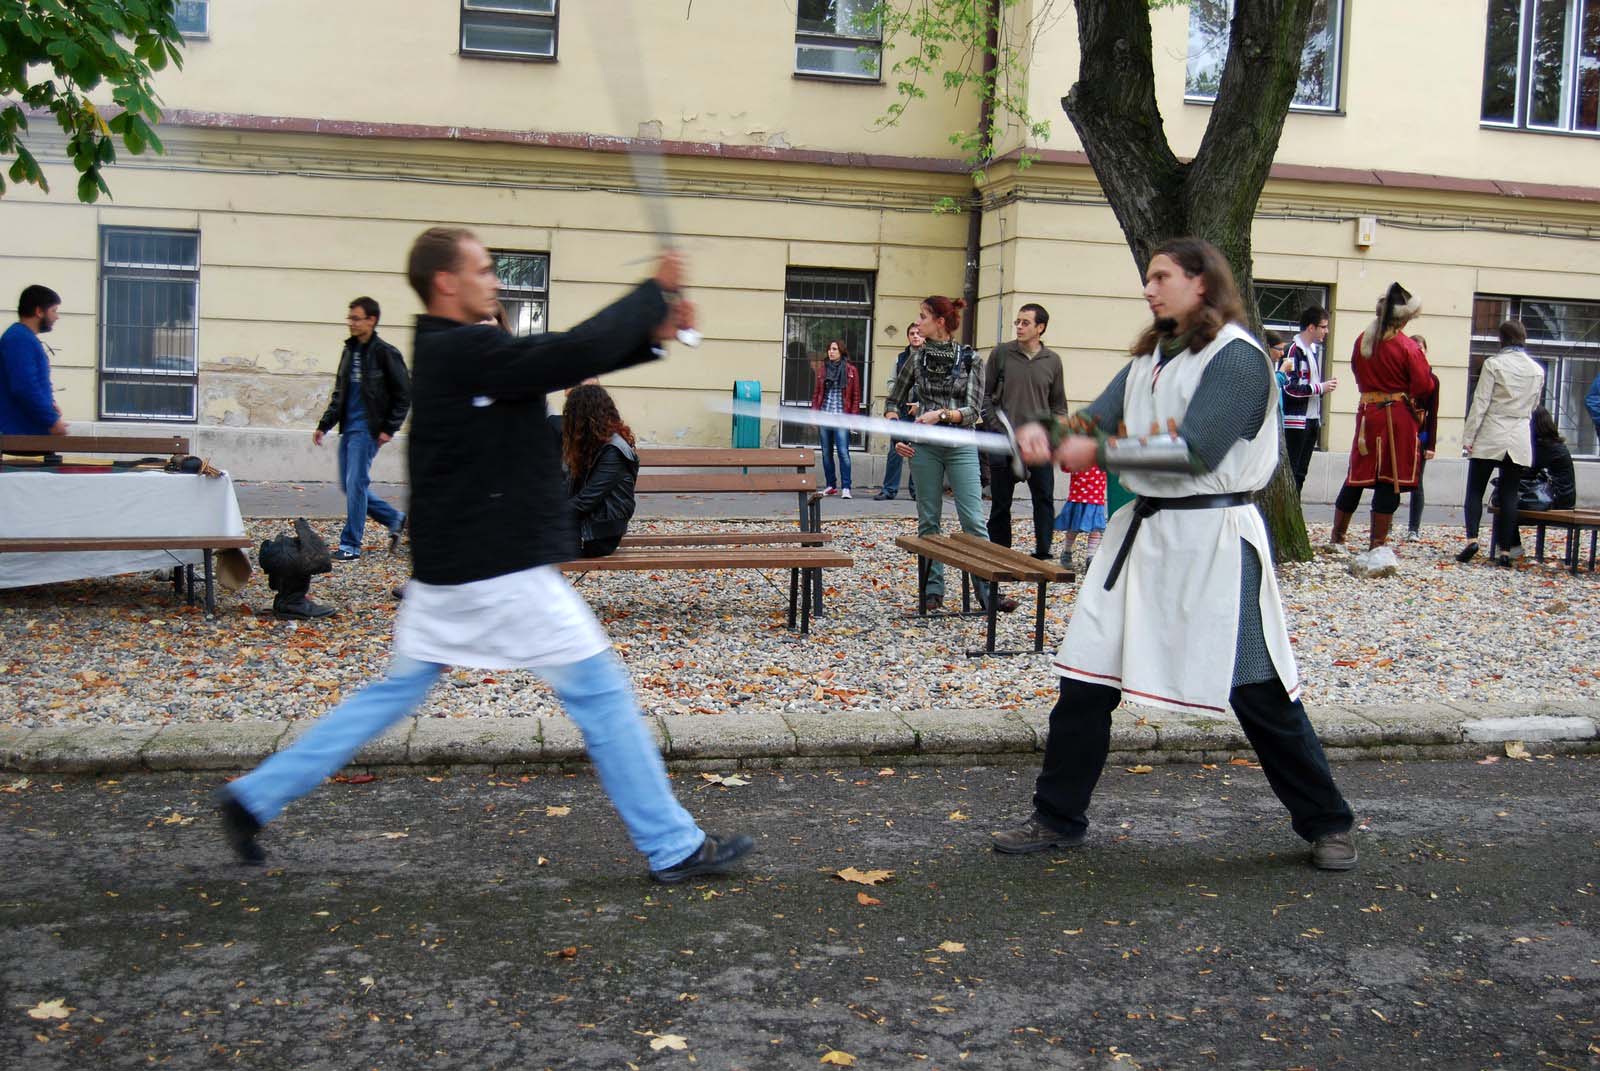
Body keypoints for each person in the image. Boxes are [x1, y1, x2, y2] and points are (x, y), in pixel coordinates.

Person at [215, 228, 754, 885]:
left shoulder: (457, 350)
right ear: (447, 282)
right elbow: (563, 353)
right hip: (496, 568)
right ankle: (672, 846)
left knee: (392, 694)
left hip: (453, 569)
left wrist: (654, 329)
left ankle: (253, 797)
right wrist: (653, 293)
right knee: (600, 692)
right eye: (482, 269)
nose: (494, 279)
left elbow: (549, 361)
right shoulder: (464, 349)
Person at [992, 237, 1357, 872]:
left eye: (1162, 276)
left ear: (1202, 283)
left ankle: (1328, 821)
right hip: (1143, 538)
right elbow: (1095, 421)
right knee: (1085, 681)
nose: (1149, 288)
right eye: (1148, 277)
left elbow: (1197, 449)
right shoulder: (1149, 359)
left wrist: (1098, 452)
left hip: (1214, 540)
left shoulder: (1238, 358)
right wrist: (1047, 434)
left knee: (1258, 690)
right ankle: (1057, 816)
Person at [884, 296, 1012, 614]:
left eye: (923, 316)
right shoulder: (916, 358)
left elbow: (973, 412)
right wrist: (898, 435)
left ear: (940, 322)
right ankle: (932, 592)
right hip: (924, 447)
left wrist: (940, 415)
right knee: (929, 521)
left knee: (973, 521)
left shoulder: (971, 360)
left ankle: (987, 592)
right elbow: (893, 402)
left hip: (961, 445)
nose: (918, 323)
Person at [1327, 283, 1433, 553]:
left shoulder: (1362, 340)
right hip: (1395, 418)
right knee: (1389, 478)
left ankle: (1337, 538)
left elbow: (1356, 370)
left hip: (1368, 415)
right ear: (1404, 318)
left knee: (1356, 476)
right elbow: (1424, 385)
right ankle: (1377, 545)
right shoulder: (1407, 346)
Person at [314, 297, 411, 562]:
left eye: (356, 318)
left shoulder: (385, 353)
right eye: (350, 318)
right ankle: (395, 518)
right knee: (349, 485)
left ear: (371, 320)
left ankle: (351, 545)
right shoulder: (349, 351)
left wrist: (389, 428)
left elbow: (404, 394)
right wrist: (325, 424)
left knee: (356, 484)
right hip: (348, 427)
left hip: (368, 430)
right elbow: (340, 393)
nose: (351, 323)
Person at [984, 303, 1069, 559]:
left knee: (1044, 499)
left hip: (1038, 444)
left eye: (1025, 323)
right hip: (1004, 441)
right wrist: (996, 426)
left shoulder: (1052, 361)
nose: (1019, 327)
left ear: (1040, 328)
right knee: (1000, 504)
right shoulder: (1001, 354)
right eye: (1017, 322)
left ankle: (1043, 554)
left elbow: (1058, 406)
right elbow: (985, 396)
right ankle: (1001, 556)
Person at [1459, 319, 1544, 567]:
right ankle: (1506, 551)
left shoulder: (1493, 365)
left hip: (1492, 431)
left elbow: (1481, 402)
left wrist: (1469, 438)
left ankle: (1472, 539)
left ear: (1501, 339)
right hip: (1519, 435)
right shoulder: (1537, 370)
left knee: (1475, 489)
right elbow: (1534, 405)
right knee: (1509, 494)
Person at [563, 384, 640, 558]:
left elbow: (586, 500)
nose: (567, 420)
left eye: (571, 414)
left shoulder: (613, 451)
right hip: (584, 527)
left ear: (583, 418)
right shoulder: (591, 446)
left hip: (598, 535)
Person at [1279, 305, 1336, 494]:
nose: (1326, 331)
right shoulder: (1293, 350)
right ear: (1311, 327)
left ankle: (1295, 506)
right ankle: (1289, 505)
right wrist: (1320, 388)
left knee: (1301, 473)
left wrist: (1322, 388)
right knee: (1292, 472)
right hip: (1295, 421)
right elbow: (1289, 388)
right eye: (1323, 327)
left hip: (1311, 419)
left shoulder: (1311, 350)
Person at [0, 285, 69, 436]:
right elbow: (25, 386)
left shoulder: (23, 337)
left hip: (25, 432)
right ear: (39, 312)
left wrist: (50, 406)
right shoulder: (19, 339)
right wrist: (51, 420)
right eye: (54, 310)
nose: (56, 317)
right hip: (19, 434)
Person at [1399, 336, 1441, 542]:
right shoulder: (1400, 377)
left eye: (1421, 349)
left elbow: (1433, 414)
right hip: (1399, 432)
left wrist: (1430, 444)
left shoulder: (1432, 380)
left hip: (1419, 433)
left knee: (1417, 481)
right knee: (1392, 480)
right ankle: (1385, 524)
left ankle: (1413, 528)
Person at [874, 323, 920, 501]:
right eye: (912, 333)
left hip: (921, 413)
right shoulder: (900, 358)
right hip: (900, 411)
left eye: (918, 333)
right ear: (908, 337)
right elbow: (891, 382)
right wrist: (899, 395)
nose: (915, 336)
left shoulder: (929, 358)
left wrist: (919, 404)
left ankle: (916, 491)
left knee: (917, 451)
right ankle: (889, 490)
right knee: (895, 451)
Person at [811, 339, 860, 498]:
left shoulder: (851, 370)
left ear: (841, 352)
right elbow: (817, 393)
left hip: (842, 417)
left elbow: (855, 396)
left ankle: (846, 487)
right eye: (829, 349)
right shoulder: (823, 369)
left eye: (834, 349)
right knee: (826, 453)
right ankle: (831, 485)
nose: (831, 352)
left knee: (843, 452)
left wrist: (853, 419)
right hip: (825, 415)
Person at [1054, 462, 1106, 572]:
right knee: (1073, 528)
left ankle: (1091, 557)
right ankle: (1067, 551)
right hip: (1078, 496)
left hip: (1096, 497)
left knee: (1095, 530)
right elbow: (1066, 466)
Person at [1527, 406, 1576, 511]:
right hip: (1562, 497)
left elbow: (1528, 473)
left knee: (1508, 498)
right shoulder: (1551, 444)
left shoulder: (1546, 447)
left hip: (1555, 499)